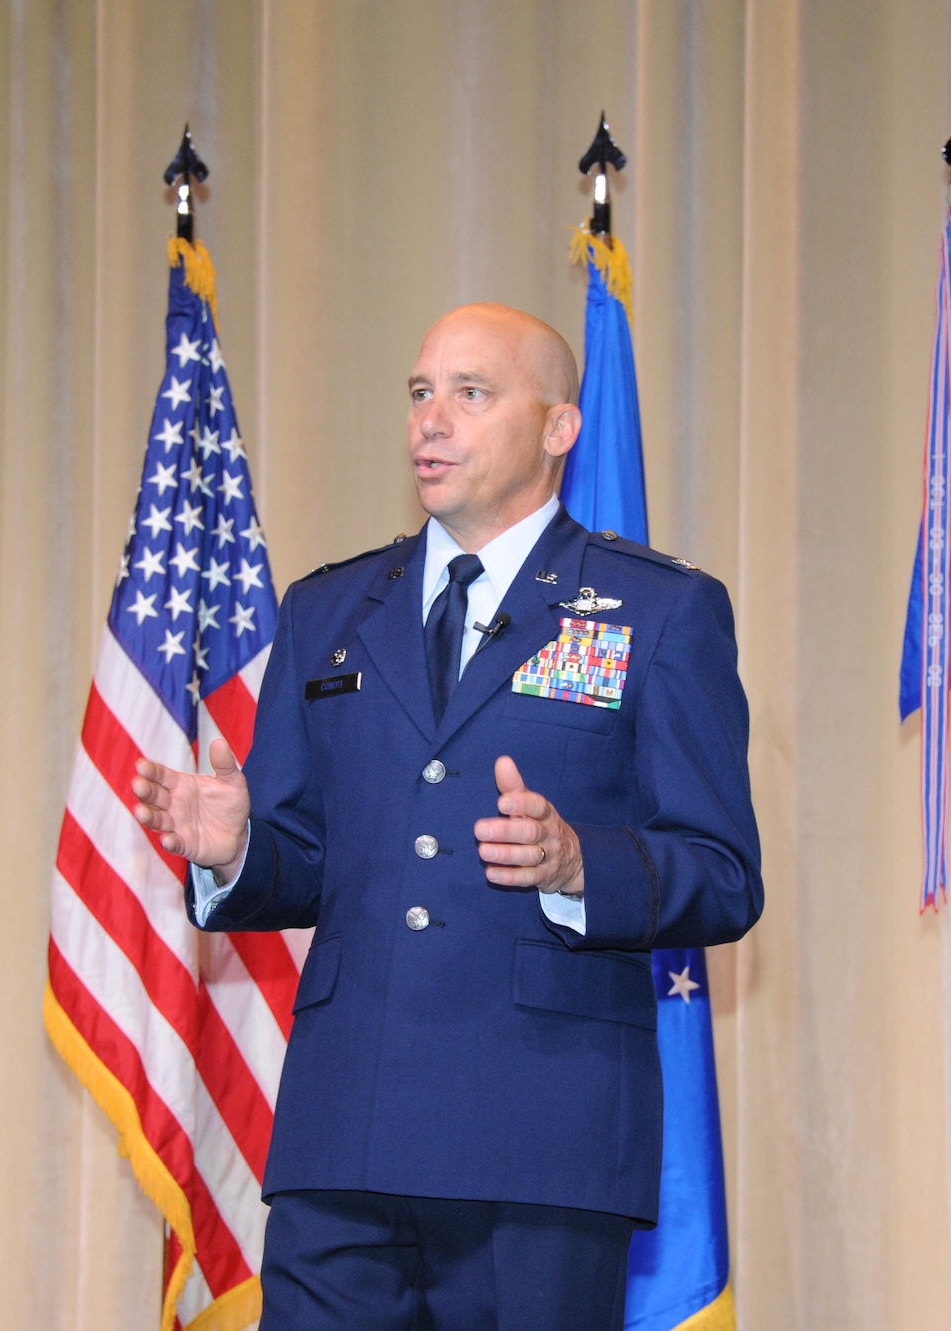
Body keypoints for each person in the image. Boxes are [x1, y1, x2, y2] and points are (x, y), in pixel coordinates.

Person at [132, 302, 762, 1328]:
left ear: (558, 428)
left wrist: (576, 866)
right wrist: (241, 848)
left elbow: (723, 872)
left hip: (540, 1144)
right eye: (421, 392)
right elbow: (308, 857)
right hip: (344, 1142)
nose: (431, 420)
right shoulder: (328, 610)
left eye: (471, 393)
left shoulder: (657, 611)